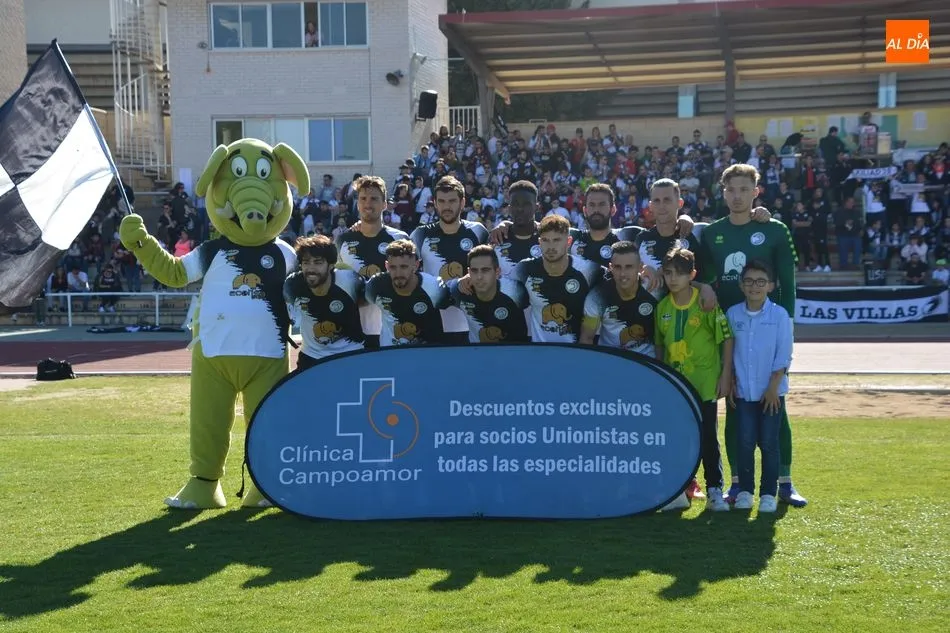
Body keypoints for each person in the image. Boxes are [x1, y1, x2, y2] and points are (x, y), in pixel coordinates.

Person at [697, 163, 806, 508]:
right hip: (730, 331)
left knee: (777, 404)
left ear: (756, 191)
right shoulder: (712, 232)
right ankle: (738, 483)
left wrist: (785, 328)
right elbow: (703, 275)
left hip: (769, 329)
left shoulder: (773, 230)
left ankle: (784, 483)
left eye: (745, 189)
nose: (738, 196)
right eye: (731, 190)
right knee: (733, 404)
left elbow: (788, 282)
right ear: (723, 192)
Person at [654, 246, 733, 512]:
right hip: (677, 389)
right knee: (678, 439)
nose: (672, 279)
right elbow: (659, 348)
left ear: (692, 275)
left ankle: (714, 491)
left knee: (708, 438)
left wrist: (725, 375)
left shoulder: (706, 303)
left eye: (678, 273)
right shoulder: (662, 308)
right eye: (668, 273)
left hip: (705, 384)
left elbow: (727, 337)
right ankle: (678, 490)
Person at [726, 259, 793, 514]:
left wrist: (772, 388)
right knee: (744, 442)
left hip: (771, 393)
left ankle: (768, 493)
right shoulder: (733, 314)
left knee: (769, 443)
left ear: (771, 286)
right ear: (742, 286)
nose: (755, 286)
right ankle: (745, 491)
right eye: (750, 281)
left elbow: (783, 354)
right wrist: (730, 381)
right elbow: (729, 353)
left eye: (761, 282)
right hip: (743, 392)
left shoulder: (779, 315)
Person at [410, 176, 489, 344]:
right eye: (442, 201)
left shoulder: (478, 231)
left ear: (462, 202)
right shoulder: (420, 234)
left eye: (452, 201)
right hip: (434, 320)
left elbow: (492, 270)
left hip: (474, 321)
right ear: (435, 203)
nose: (447, 206)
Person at [335, 176, 408, 349]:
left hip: (391, 331)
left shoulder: (400, 239)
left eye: (374, 198)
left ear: (384, 204)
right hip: (351, 331)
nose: (368, 204)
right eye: (363, 199)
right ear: (357, 203)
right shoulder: (343, 240)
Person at [511, 214, 605, 343]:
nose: (551, 246)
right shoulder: (524, 269)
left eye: (556, 240)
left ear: (568, 242)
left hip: (576, 353)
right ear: (539, 242)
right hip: (539, 353)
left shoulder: (589, 270)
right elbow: (498, 287)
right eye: (545, 240)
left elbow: (617, 282)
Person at [284, 235, 364, 370]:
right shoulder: (292, 285)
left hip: (350, 354)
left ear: (331, 264)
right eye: (306, 262)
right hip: (311, 356)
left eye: (318, 262)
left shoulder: (350, 280)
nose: (311, 268)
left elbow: (369, 304)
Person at [365, 239, 451, 346]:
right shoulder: (375, 286)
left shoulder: (433, 287)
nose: (398, 273)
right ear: (386, 266)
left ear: (416, 265)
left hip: (427, 354)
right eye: (393, 267)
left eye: (403, 267)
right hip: (389, 354)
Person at [580, 241, 657, 356]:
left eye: (629, 267)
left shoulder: (655, 290)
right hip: (611, 360)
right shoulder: (597, 297)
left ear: (640, 267)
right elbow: (586, 338)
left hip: (647, 362)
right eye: (618, 267)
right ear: (610, 268)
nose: (623, 274)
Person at [448, 245, 529, 343]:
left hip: (512, 352)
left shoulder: (515, 292)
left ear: (497, 272)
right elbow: (436, 289)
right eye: (474, 271)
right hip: (475, 353)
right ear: (468, 272)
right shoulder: (460, 290)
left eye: (485, 270)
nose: (479, 277)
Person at [495, 180, 542, 279]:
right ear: (509, 208)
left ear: (536, 208)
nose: (520, 209)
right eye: (515, 204)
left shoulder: (547, 237)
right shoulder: (497, 239)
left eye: (526, 204)